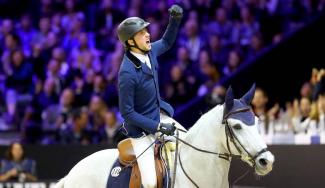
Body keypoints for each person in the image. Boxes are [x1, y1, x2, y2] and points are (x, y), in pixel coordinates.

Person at [117, 4, 183, 188]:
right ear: (131, 42)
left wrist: (175, 21)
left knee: (189, 142)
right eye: (141, 33)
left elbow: (167, 42)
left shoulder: (150, 51)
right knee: (150, 182)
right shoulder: (127, 74)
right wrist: (158, 127)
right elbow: (127, 113)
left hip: (158, 115)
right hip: (141, 132)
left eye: (146, 30)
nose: (148, 34)